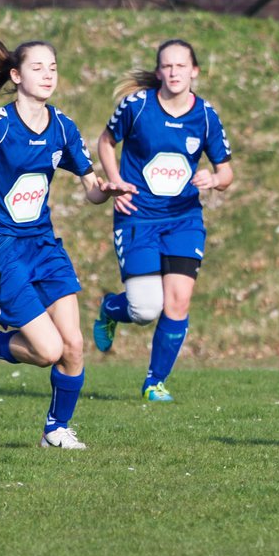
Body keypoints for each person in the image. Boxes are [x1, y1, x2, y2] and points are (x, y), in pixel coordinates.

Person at [0, 32, 129, 448]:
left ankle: (55, 431)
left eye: (53, 67)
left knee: (73, 345)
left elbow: (89, 188)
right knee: (48, 350)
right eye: (37, 67)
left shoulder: (63, 128)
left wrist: (104, 190)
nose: (48, 74)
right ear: (16, 75)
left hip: (44, 246)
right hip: (0, 249)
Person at [90, 39, 233, 402]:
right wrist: (117, 184)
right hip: (138, 217)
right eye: (167, 67)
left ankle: (155, 382)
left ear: (194, 71)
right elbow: (105, 142)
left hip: (184, 219)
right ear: (158, 73)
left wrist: (214, 180)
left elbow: (227, 172)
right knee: (144, 309)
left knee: (178, 302)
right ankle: (110, 308)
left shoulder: (205, 116)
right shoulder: (136, 107)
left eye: (181, 66)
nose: (174, 73)